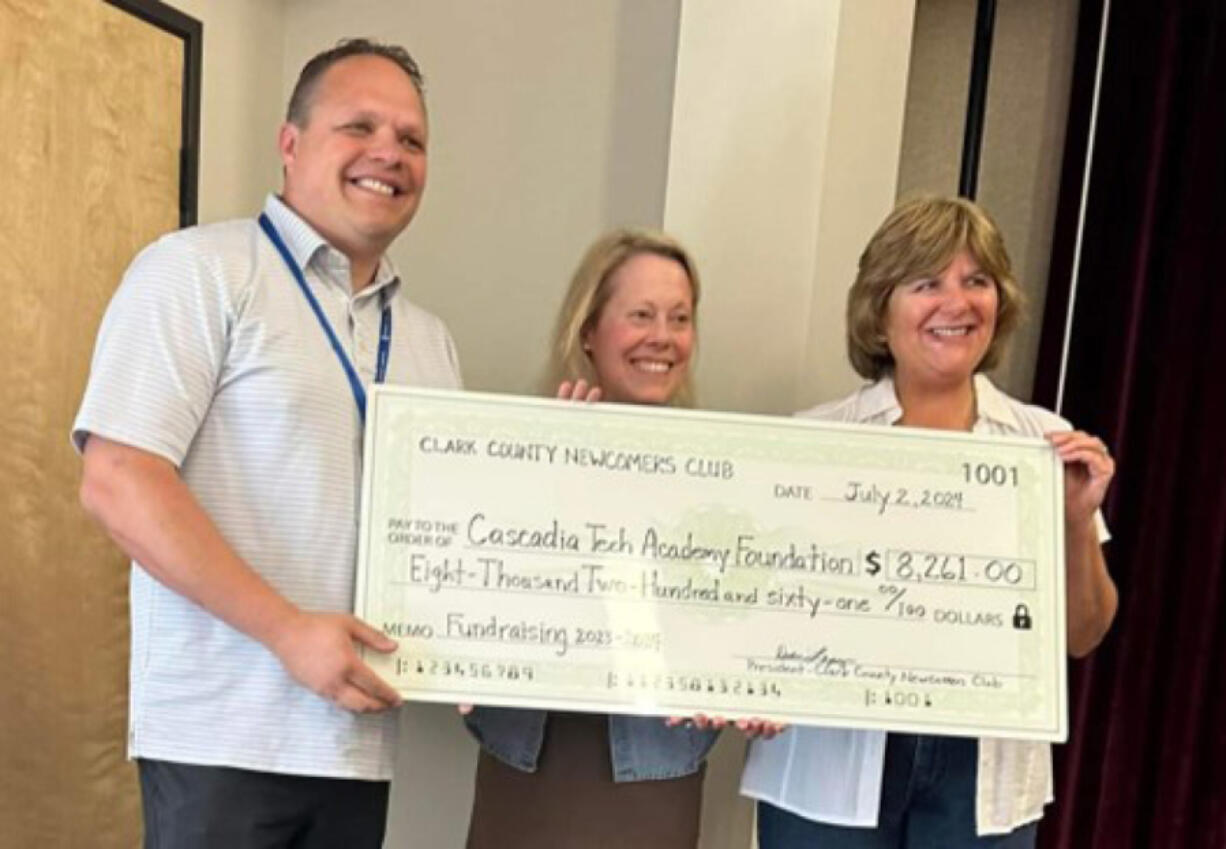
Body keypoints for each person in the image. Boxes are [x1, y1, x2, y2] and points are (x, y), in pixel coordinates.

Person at [73, 39, 461, 848]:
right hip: (222, 738)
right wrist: (288, 630)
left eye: (412, 138)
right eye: (359, 125)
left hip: (359, 746)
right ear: (291, 144)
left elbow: (449, 534)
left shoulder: (428, 339)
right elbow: (117, 477)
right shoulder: (198, 271)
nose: (389, 151)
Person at [740, 195, 1118, 848]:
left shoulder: (1044, 446)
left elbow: (1084, 634)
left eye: (977, 281)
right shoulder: (810, 443)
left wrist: (1077, 522)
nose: (957, 301)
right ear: (879, 311)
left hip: (985, 773)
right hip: (827, 768)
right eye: (927, 283)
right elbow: (757, 617)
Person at [462, 229, 720, 849]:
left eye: (679, 318)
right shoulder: (518, 460)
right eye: (641, 315)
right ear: (589, 330)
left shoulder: (718, 479)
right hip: (531, 755)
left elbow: (725, 627)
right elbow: (474, 596)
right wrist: (561, 481)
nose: (663, 336)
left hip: (655, 764)